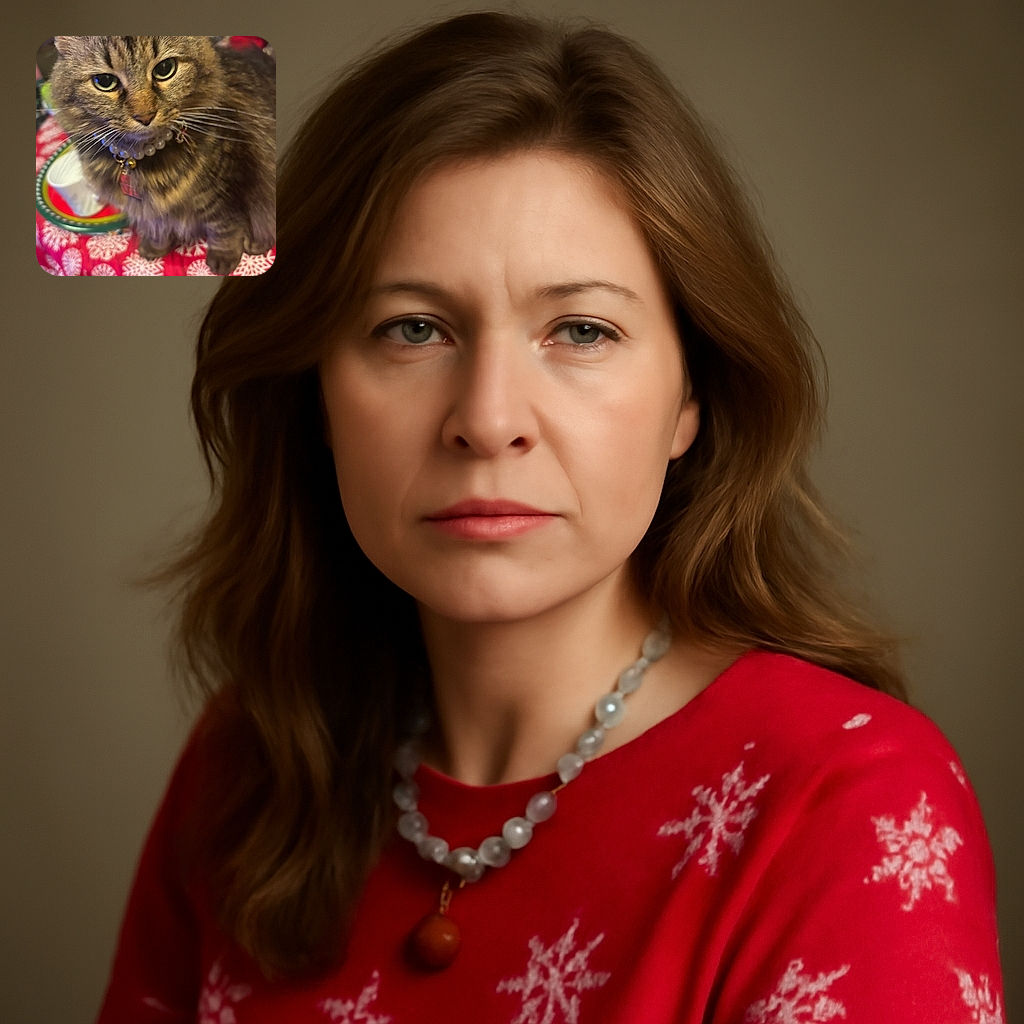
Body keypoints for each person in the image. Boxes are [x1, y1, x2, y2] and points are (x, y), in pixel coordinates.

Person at [95, 11, 1004, 1023]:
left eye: (580, 329)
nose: (487, 421)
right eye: (411, 328)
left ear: (691, 398)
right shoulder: (247, 760)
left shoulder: (845, 799)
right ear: (311, 392)